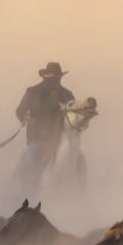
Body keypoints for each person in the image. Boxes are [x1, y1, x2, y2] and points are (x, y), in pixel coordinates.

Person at [13, 61, 75, 192]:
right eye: (51, 75)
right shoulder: (33, 92)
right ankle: (28, 194)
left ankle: (79, 191)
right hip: (37, 138)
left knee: (78, 161)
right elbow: (20, 110)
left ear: (60, 76)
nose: (53, 78)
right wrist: (25, 118)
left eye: (56, 75)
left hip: (60, 139)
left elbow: (74, 114)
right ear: (45, 75)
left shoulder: (67, 94)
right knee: (31, 166)